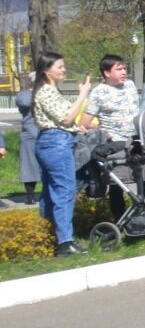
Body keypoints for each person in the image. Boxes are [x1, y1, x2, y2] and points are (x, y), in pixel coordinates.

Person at [31, 52, 93, 256]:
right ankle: (65, 243)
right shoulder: (45, 91)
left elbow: (68, 120)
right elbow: (66, 118)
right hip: (55, 144)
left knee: (50, 192)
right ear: (46, 70)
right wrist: (83, 93)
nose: (64, 70)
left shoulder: (50, 91)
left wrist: (77, 128)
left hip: (54, 142)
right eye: (60, 66)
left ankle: (48, 237)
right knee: (65, 191)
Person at [80, 54, 142, 217]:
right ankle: (120, 219)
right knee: (117, 184)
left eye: (124, 68)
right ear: (107, 73)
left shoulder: (130, 85)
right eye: (119, 69)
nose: (124, 72)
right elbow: (85, 122)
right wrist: (102, 127)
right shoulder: (99, 93)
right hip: (115, 145)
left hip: (137, 140)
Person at [15, 72, 39, 205]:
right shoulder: (24, 94)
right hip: (30, 135)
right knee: (30, 167)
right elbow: (24, 103)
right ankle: (30, 196)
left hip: (44, 134)